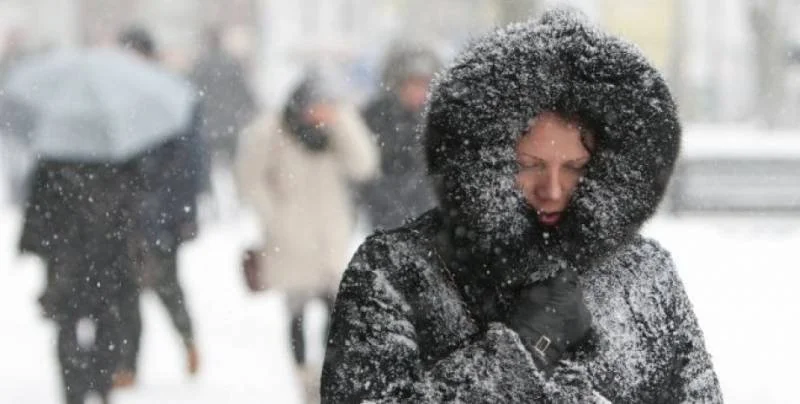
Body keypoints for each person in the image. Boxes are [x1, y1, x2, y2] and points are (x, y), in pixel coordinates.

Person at [321, 9, 722, 403]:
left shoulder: (645, 275)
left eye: (576, 168)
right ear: (484, 158)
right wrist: (518, 355)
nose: (552, 189)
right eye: (528, 166)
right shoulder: (396, 270)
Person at [235, 72, 378, 402]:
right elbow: (248, 178)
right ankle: (303, 379)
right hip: (289, 240)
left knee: (335, 313)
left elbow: (364, 165)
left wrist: (342, 122)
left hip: (329, 237)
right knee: (296, 313)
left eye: (326, 106)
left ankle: (326, 377)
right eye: (315, 106)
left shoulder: (335, 132)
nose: (319, 113)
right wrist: (273, 216)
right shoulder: (271, 130)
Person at [112, 26, 203, 387]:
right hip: (125, 213)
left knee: (166, 286)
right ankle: (127, 364)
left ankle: (188, 340)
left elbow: (191, 163)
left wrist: (184, 214)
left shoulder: (172, 97)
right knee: (125, 291)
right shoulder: (117, 98)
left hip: (162, 215)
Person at [20, 158, 143, 404]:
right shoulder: (117, 154)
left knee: (69, 323)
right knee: (107, 320)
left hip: (67, 254)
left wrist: (36, 241)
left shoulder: (54, 155)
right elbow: (133, 200)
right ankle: (101, 382)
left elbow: (39, 205)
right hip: (107, 252)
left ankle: (74, 389)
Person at [359, 42, 440, 230]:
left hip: (428, 217)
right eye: (413, 83)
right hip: (385, 216)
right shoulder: (375, 116)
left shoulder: (439, 116)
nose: (419, 92)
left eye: (425, 84)